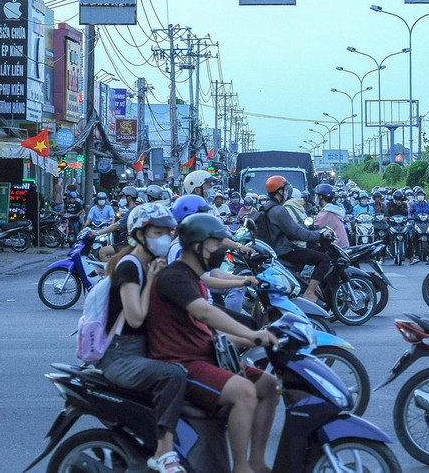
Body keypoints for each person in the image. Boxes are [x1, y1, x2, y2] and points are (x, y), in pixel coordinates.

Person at [146, 213, 279, 473]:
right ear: (198, 246)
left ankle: (257, 461)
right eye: (216, 245)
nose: (220, 251)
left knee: (268, 385)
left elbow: (204, 330)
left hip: (205, 355)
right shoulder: (174, 277)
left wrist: (244, 338)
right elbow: (205, 314)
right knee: (244, 392)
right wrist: (251, 335)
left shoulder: (195, 278)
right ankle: (241, 467)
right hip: (182, 362)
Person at [96, 203, 188, 473]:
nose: (165, 238)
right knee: (174, 375)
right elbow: (135, 317)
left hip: (137, 351)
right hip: (120, 357)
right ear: (139, 234)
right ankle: (164, 452)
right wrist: (151, 280)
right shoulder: (130, 266)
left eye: (167, 233)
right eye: (157, 232)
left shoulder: (147, 264)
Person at [259, 176, 333, 303]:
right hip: (284, 251)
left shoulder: (267, 207)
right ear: (280, 191)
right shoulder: (279, 211)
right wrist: (320, 235)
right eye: (286, 189)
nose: (288, 192)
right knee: (324, 259)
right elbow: (296, 232)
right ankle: (309, 292)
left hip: (275, 249)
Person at [94, 186, 139, 262]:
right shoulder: (134, 209)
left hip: (131, 244)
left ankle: (113, 273)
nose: (121, 199)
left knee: (102, 252)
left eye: (123, 197)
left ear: (129, 198)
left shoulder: (133, 210)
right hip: (132, 241)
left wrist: (97, 232)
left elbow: (116, 225)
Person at [313, 183, 349, 249]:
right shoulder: (334, 210)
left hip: (335, 248)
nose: (315, 198)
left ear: (321, 197)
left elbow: (315, 229)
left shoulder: (325, 213)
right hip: (342, 245)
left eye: (316, 196)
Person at [408, 191, 429, 264]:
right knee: (411, 233)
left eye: (422, 195)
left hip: (427, 223)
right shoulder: (413, 205)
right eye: (419, 195)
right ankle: (412, 250)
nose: (420, 196)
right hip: (416, 222)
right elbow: (410, 213)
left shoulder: (428, 205)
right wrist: (410, 218)